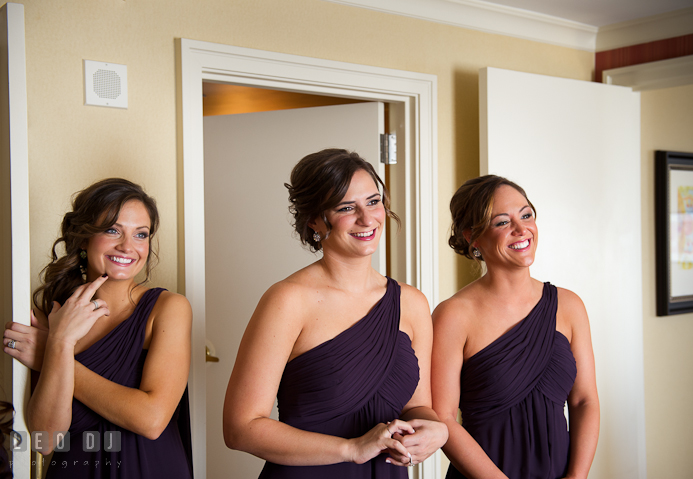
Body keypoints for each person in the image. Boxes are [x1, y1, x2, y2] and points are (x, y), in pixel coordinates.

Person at [223, 148, 448, 478]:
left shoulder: (412, 302)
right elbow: (239, 428)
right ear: (315, 219)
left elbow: (418, 405)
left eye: (373, 201)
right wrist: (352, 449)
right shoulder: (287, 301)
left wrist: (438, 430)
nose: (367, 218)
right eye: (346, 207)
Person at [3, 178, 193, 478]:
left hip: (150, 469)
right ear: (83, 238)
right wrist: (60, 343)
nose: (127, 246)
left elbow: (152, 420)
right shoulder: (55, 317)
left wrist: (54, 355)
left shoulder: (168, 308)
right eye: (112, 230)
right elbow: (46, 439)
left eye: (140, 234)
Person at [432, 175, 599, 479]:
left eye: (526, 215)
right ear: (473, 237)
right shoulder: (453, 315)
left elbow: (584, 400)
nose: (522, 230)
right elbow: (443, 418)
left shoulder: (570, 305)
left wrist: (577, 477)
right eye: (502, 222)